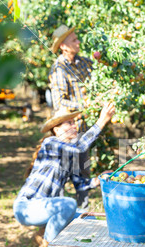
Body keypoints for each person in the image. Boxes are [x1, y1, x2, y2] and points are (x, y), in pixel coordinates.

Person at [13, 103, 116, 247]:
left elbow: (81, 185)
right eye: (69, 123)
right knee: (68, 204)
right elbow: (81, 147)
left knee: (89, 218)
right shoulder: (51, 143)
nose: (74, 126)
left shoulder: (70, 156)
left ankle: (43, 233)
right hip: (27, 207)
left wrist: (99, 180)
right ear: (57, 129)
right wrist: (102, 121)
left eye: (74, 122)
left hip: (46, 209)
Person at [48, 24, 94, 211]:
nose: (78, 42)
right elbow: (59, 104)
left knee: (82, 171)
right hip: (68, 130)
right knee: (63, 171)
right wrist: (84, 106)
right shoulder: (59, 69)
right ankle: (58, 212)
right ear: (63, 46)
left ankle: (82, 212)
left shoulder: (84, 63)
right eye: (73, 40)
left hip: (84, 128)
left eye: (77, 38)